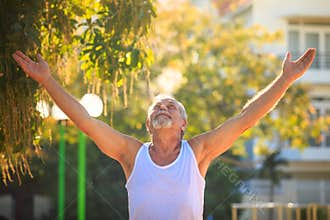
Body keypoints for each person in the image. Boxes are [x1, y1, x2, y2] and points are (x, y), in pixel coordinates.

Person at [12, 48, 316, 220]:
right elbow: (86, 122)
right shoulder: (132, 154)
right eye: (156, 107)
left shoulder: (198, 152)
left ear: (183, 122)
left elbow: (245, 118)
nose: (163, 107)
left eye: (171, 106)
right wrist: (47, 80)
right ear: (147, 125)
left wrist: (285, 79)